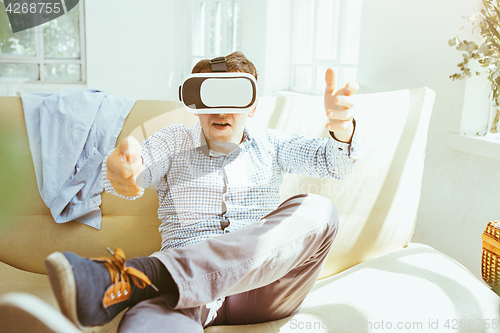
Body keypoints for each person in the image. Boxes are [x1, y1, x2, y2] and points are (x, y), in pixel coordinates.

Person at [45, 51, 361, 332]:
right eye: (211, 96)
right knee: (147, 322)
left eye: (234, 96)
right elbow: (138, 169)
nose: (221, 110)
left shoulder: (273, 144)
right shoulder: (172, 140)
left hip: (262, 286)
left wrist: (342, 124)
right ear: (196, 106)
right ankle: (152, 278)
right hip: (181, 291)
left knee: (320, 211)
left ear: (251, 107)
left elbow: (335, 164)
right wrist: (122, 170)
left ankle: (140, 275)